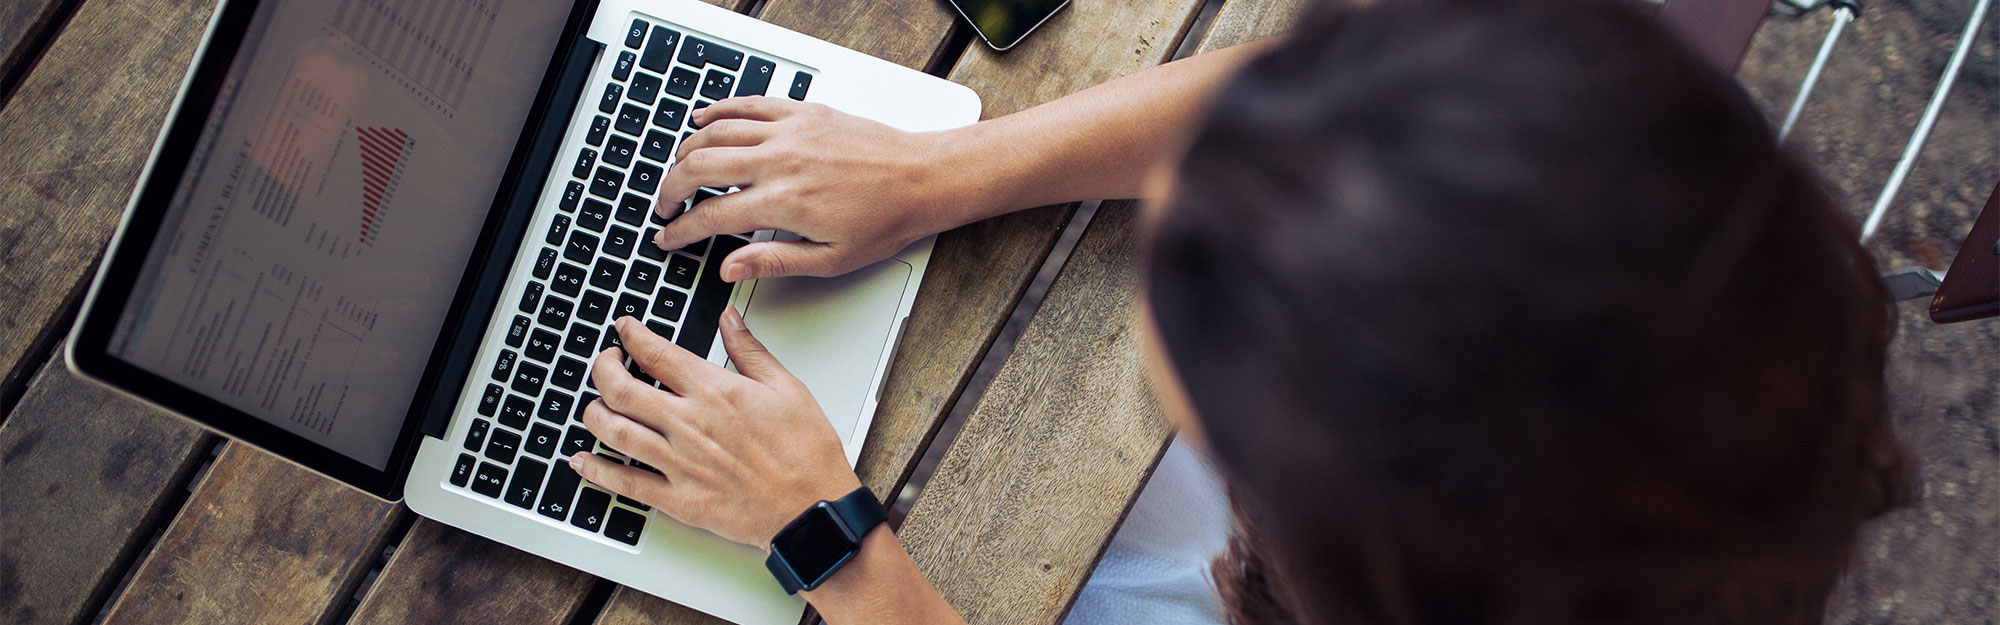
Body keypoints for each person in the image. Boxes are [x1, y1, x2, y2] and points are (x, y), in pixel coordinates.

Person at [562, 0, 1911, 623]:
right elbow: (1345, 112)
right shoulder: (1654, 231)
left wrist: (836, 548)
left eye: (1186, 375)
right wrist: (937, 170)